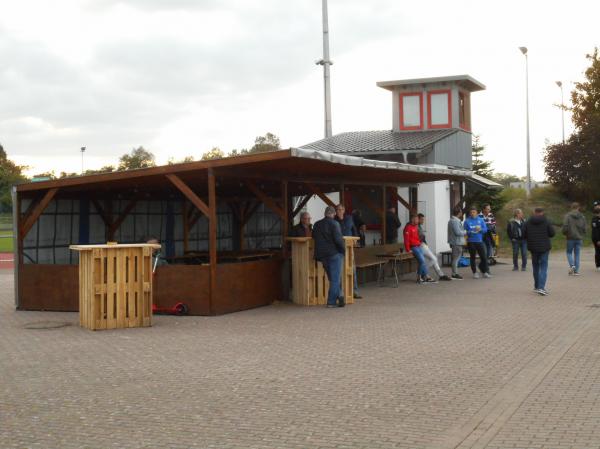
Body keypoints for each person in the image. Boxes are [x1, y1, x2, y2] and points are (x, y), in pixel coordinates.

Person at [312, 206, 346, 308]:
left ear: (325, 213)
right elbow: (338, 240)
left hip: (322, 255)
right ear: (333, 214)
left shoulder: (317, 224)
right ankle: (331, 302)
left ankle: (340, 296)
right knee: (335, 279)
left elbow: (313, 236)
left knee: (332, 278)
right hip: (334, 254)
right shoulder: (335, 223)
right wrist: (343, 251)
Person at [524, 207, 555, 296]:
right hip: (544, 247)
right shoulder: (546, 221)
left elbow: (523, 234)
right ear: (542, 212)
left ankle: (537, 286)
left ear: (534, 212)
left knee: (536, 266)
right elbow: (552, 233)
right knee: (544, 267)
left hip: (533, 247)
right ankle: (541, 287)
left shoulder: (528, 222)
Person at [334, 204, 362, 299]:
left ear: (344, 210)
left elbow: (354, 229)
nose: (339, 211)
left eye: (341, 209)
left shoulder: (349, 218)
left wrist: (356, 239)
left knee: (352, 269)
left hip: (349, 247)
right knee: (340, 270)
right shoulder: (333, 220)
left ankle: (355, 291)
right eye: (338, 210)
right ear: (335, 211)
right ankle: (341, 292)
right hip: (337, 248)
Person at [417, 213, 452, 281]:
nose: (423, 221)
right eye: (421, 219)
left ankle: (441, 275)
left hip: (423, 245)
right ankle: (423, 272)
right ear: (417, 219)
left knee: (434, 260)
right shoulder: (416, 227)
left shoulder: (419, 226)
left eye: (423, 219)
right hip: (421, 246)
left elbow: (422, 237)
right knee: (434, 259)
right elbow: (419, 238)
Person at [404, 213, 435, 284]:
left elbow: (417, 237)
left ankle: (423, 277)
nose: (418, 221)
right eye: (417, 219)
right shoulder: (408, 227)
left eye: (418, 219)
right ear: (412, 219)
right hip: (413, 247)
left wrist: (419, 242)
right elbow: (406, 239)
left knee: (422, 262)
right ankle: (420, 277)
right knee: (422, 261)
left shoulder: (415, 226)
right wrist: (408, 249)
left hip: (418, 246)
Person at [464, 206, 491, 279]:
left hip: (479, 241)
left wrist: (480, 229)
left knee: (484, 257)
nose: (472, 214)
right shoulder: (467, 221)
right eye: (471, 212)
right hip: (471, 242)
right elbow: (464, 232)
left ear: (477, 213)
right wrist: (470, 232)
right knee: (472, 257)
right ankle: (475, 273)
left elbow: (485, 230)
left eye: (474, 212)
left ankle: (484, 272)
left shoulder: (481, 220)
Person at [562, 202, 587, 276]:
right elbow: (584, 227)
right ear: (578, 207)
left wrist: (565, 233)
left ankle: (572, 265)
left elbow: (565, 226)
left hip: (570, 238)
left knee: (569, 252)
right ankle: (576, 271)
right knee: (577, 254)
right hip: (579, 238)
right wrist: (583, 233)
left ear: (571, 207)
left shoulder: (567, 216)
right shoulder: (582, 216)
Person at [447, 205, 467, 280]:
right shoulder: (455, 221)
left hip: (455, 242)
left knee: (456, 258)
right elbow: (458, 232)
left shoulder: (452, 220)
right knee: (456, 258)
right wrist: (465, 232)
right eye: (461, 211)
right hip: (456, 242)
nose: (462, 213)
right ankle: (454, 274)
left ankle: (455, 273)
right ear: (459, 212)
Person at [593, 205, 600, 271]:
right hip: (597, 238)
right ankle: (598, 265)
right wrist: (598, 240)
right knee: (598, 251)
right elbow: (595, 231)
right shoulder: (594, 220)